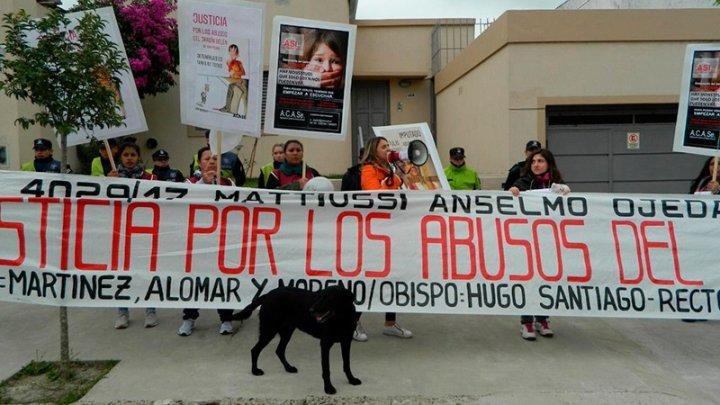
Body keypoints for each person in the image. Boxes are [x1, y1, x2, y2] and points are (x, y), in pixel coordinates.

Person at [355, 136, 413, 341]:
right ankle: (353, 321)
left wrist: (401, 176)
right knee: (370, 278)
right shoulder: (369, 170)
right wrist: (395, 182)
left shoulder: (392, 170)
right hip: (376, 232)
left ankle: (390, 323)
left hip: (394, 230)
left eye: (389, 146)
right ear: (374, 150)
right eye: (384, 146)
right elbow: (374, 193)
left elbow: (407, 194)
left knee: (393, 277)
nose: (388, 149)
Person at [509, 148, 570, 340]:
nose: (536, 164)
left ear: (548, 164)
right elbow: (510, 194)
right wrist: (513, 191)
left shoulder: (557, 186)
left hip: (548, 241)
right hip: (526, 240)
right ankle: (526, 322)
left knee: (545, 279)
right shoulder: (525, 182)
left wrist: (567, 194)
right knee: (528, 280)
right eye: (534, 161)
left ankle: (542, 319)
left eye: (540, 161)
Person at [178, 146, 235, 336]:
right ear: (199, 162)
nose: (211, 161)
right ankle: (189, 318)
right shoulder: (189, 182)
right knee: (194, 281)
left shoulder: (229, 183)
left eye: (215, 159)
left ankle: (226, 319)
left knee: (222, 280)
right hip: (197, 242)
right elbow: (184, 201)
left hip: (221, 241)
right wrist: (205, 183)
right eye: (207, 158)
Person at [106, 142, 158, 329]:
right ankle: (122, 312)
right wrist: (107, 184)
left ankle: (150, 310)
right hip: (120, 234)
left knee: (146, 272)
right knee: (122, 274)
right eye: (126, 155)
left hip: (144, 233)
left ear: (138, 157)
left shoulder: (151, 179)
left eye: (133, 155)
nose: (129, 158)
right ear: (120, 157)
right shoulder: (112, 178)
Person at [216, 44, 248, 117]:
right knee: (231, 87)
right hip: (234, 80)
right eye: (231, 50)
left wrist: (235, 72)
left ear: (237, 52)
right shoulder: (229, 61)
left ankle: (230, 109)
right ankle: (229, 108)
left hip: (239, 80)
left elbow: (243, 72)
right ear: (229, 51)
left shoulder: (239, 63)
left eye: (234, 50)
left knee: (236, 89)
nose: (233, 52)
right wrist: (232, 59)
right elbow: (229, 63)